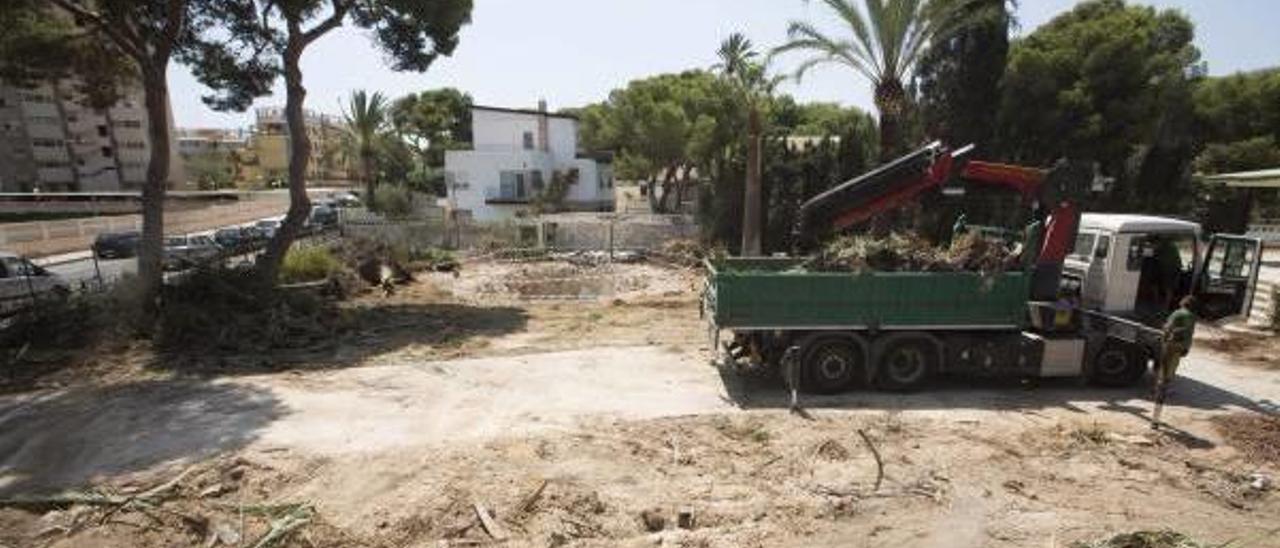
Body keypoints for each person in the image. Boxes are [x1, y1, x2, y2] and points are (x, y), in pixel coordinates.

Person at [1153, 296, 1197, 428]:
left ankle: (1155, 420)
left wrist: (1163, 340)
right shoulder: (1193, 317)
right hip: (1179, 349)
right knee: (1168, 376)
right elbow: (1190, 335)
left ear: (1182, 303)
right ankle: (1164, 386)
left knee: (1162, 379)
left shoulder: (1178, 313)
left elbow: (1167, 329)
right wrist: (1186, 348)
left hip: (1170, 347)